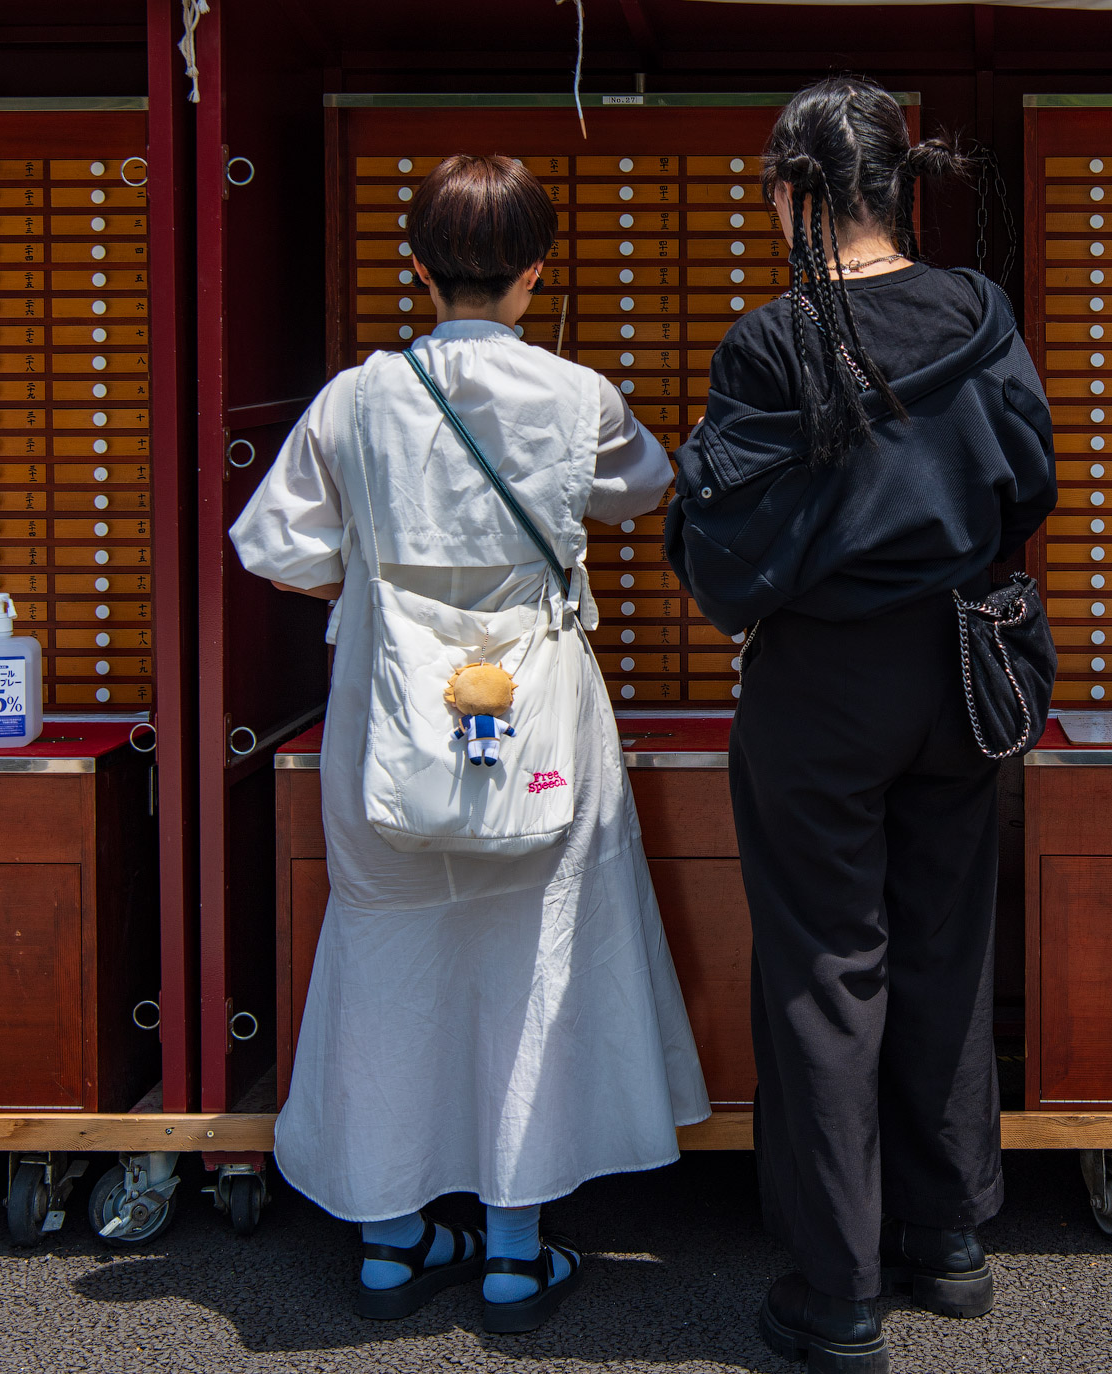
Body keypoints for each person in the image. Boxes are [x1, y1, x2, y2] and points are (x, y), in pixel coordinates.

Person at [230, 153, 709, 1332]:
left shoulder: (355, 397)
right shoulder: (573, 393)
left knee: (385, 957)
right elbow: (642, 489)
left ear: (415, 267)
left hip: (385, 713)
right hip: (539, 713)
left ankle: (391, 1242)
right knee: (534, 964)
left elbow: (275, 548)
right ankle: (512, 1250)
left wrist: (384, 577)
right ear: (538, 273)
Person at [665, 77, 1057, 1374]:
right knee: (947, 942)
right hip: (965, 662)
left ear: (792, 191)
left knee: (829, 970)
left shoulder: (772, 341)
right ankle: (948, 1237)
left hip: (822, 686)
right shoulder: (981, 312)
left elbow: (725, 556)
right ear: (901, 184)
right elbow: (1029, 477)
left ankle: (836, 1292)